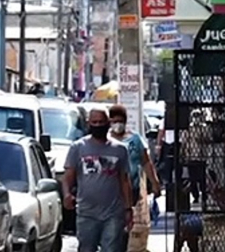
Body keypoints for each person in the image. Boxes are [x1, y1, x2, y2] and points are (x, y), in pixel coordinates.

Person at [62, 108, 134, 252]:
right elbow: (68, 176)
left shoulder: (120, 149)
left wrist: (128, 208)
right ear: (89, 124)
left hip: (113, 213)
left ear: (108, 123)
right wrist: (66, 194)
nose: (98, 125)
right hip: (87, 213)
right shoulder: (78, 148)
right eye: (94, 122)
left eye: (101, 122)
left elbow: (124, 180)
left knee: (111, 248)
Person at [108, 105, 161, 252]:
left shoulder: (135, 140)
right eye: (114, 121)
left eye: (120, 121)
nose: (117, 124)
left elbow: (146, 163)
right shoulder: (106, 141)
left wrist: (155, 184)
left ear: (125, 122)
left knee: (129, 224)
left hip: (132, 190)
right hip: (111, 191)